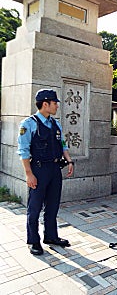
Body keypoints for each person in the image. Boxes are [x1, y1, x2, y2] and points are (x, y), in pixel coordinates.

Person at [17, 89, 74, 255]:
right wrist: (29, 174)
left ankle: (51, 236)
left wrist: (69, 160)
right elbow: (23, 151)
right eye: (54, 102)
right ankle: (34, 241)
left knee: (53, 205)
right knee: (34, 207)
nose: (57, 105)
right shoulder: (28, 124)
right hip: (39, 170)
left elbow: (63, 144)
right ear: (45, 104)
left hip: (55, 169)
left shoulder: (55, 124)